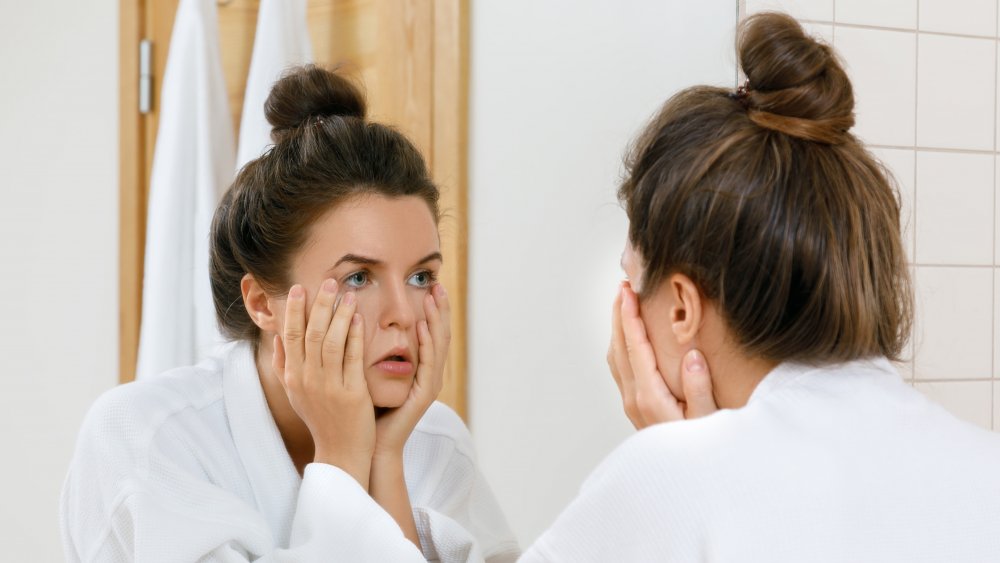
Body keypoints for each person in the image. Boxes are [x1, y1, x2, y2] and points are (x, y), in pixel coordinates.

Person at [278, 13, 1000, 561]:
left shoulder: (675, 475)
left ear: (681, 307)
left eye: (631, 284)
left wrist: (343, 469)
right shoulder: (982, 465)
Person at [60, 66, 519, 562]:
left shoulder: (434, 441)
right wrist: (343, 460)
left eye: (420, 277)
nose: (404, 315)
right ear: (261, 303)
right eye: (359, 278)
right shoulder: (146, 437)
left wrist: (384, 459)